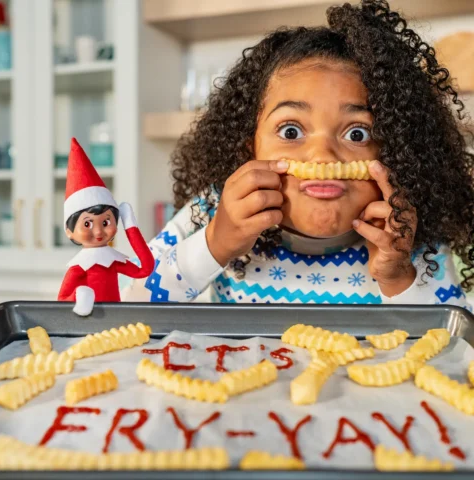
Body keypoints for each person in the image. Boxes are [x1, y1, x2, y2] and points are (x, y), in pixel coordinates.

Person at [123, 0, 474, 307]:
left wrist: (399, 279)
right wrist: (215, 243)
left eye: (357, 133)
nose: (322, 155)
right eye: (291, 131)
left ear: (396, 151)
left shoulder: (406, 238)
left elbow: (458, 349)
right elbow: (126, 301)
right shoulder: (214, 213)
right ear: (249, 148)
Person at [59, 138, 154, 316]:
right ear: (69, 232)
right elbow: (62, 299)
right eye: (87, 223)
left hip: (115, 320)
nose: (98, 231)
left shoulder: (112, 261)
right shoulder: (78, 267)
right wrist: (79, 296)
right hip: (86, 324)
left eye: (105, 222)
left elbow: (145, 269)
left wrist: (131, 226)